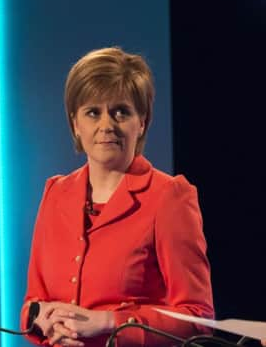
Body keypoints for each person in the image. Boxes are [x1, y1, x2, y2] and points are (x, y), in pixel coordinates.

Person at [20, 47, 214, 346]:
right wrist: (41, 318)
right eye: (93, 112)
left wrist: (110, 322)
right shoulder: (55, 193)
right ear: (76, 123)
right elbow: (32, 304)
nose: (106, 125)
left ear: (142, 122)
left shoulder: (169, 196)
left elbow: (197, 318)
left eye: (121, 111)